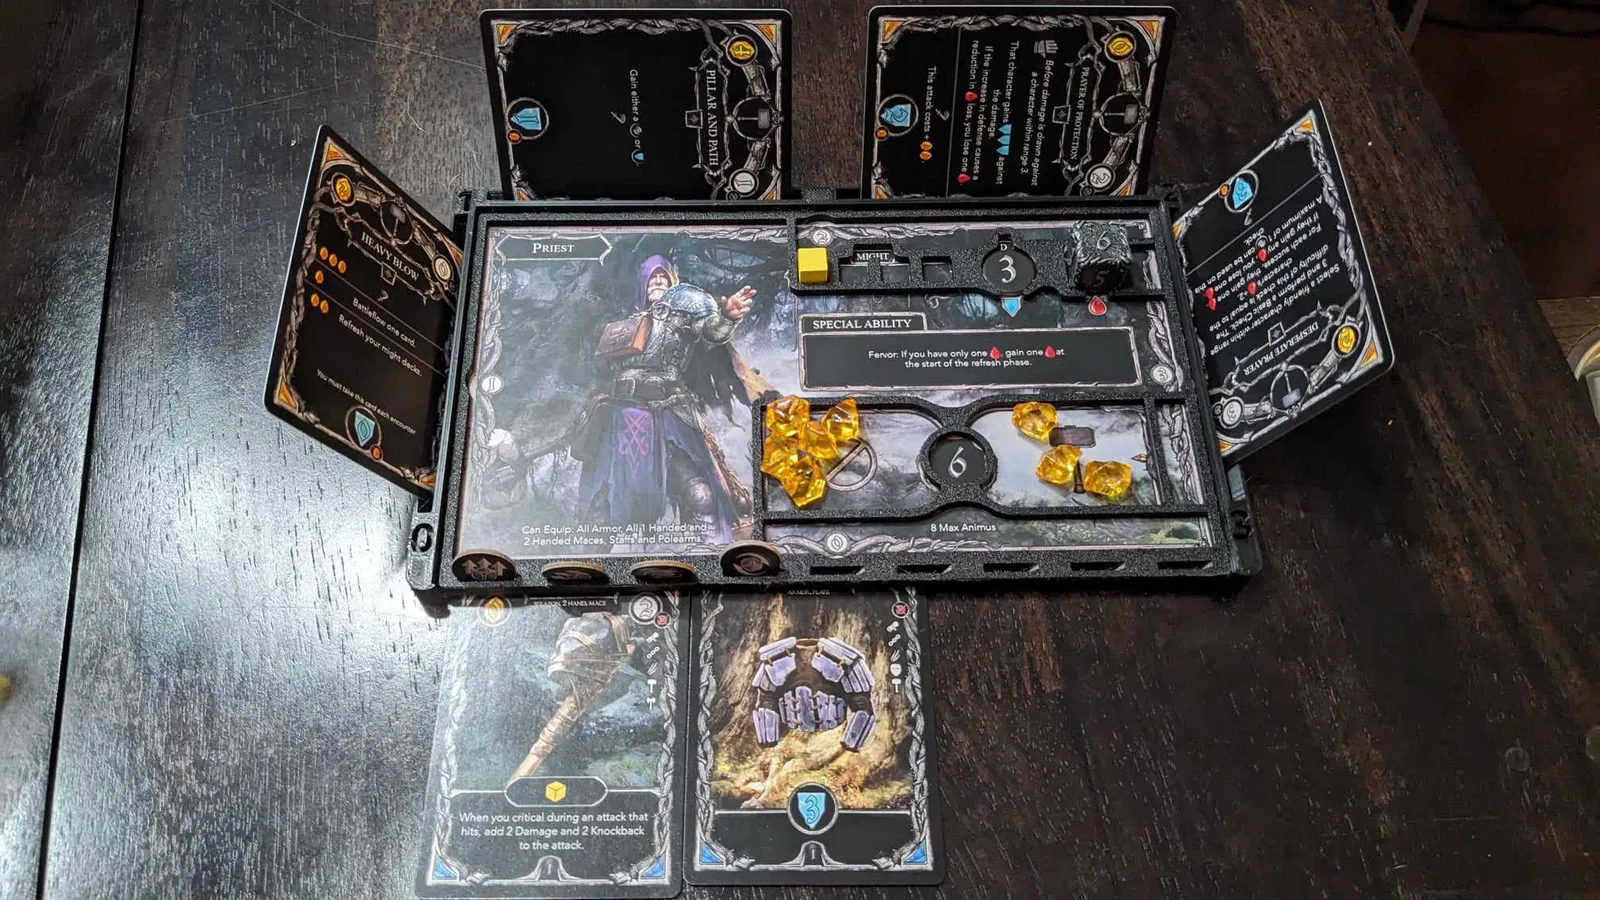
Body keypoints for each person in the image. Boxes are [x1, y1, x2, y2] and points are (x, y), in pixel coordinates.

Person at [576, 255, 762, 543]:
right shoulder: (623, 325)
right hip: (619, 418)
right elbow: (595, 370)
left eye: (663, 276)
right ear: (642, 282)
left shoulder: (685, 314)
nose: (658, 280)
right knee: (598, 511)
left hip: (669, 416)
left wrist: (728, 316)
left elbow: (713, 331)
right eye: (653, 276)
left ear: (673, 281)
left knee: (700, 495)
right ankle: (588, 566)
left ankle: (706, 556)